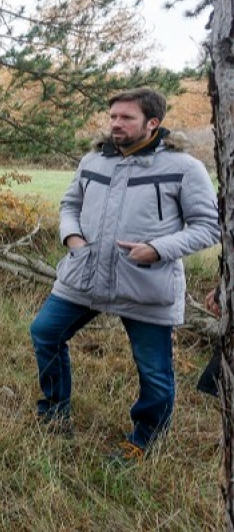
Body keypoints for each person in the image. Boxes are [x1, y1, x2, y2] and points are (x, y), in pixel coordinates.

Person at [29, 87, 220, 463]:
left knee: (154, 371)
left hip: (145, 282)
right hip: (84, 274)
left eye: (126, 118)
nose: (116, 123)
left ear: (153, 123)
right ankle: (54, 414)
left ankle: (144, 440)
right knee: (45, 332)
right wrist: (72, 238)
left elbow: (208, 226)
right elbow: (70, 204)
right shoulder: (93, 160)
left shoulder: (184, 167)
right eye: (113, 116)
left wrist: (158, 249)